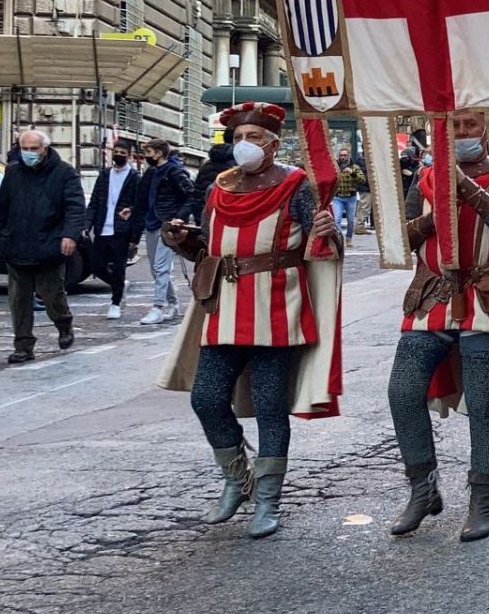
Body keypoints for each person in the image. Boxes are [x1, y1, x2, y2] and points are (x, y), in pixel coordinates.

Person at [159, 102, 343, 539]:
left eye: (254, 138)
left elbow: (321, 245)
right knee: (205, 397)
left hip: (278, 306)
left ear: (274, 144)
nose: (244, 145)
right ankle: (237, 479)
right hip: (223, 306)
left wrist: (327, 231)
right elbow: (210, 247)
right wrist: (185, 242)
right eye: (238, 138)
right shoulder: (220, 186)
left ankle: (268, 499)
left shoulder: (297, 184)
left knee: (268, 406)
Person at [389, 111, 489, 542]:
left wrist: (466, 191)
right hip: (433, 293)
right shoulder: (426, 177)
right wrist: (435, 215)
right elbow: (403, 238)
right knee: (402, 391)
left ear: (486, 128)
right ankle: (423, 488)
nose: (462, 133)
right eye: (453, 126)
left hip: (488, 294)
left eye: (470, 125)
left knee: (483, 402)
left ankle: (481, 502)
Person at [0, 130, 87, 363]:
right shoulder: (12, 172)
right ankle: (23, 346)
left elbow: (75, 208)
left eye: (34, 149)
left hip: (49, 246)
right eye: (25, 149)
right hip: (17, 245)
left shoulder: (64, 173)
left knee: (52, 295)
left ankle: (64, 323)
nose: (29, 153)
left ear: (44, 148)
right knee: (18, 300)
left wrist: (70, 236)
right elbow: (2, 210)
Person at [139, 138, 197, 325]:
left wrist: (179, 217)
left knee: (160, 267)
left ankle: (158, 307)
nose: (146, 156)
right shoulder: (152, 172)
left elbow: (192, 195)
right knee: (156, 269)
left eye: (149, 152)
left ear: (159, 153)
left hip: (167, 224)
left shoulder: (174, 172)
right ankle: (173, 303)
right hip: (153, 222)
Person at [86, 138, 143, 320]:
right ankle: (119, 285)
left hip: (121, 230)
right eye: (116, 152)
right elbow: (94, 201)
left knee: (119, 267)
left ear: (129, 156)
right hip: (102, 227)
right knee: (96, 264)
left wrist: (135, 235)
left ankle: (116, 302)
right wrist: (87, 225)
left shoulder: (134, 178)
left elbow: (139, 206)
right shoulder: (105, 175)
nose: (118, 155)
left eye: (122, 153)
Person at [330, 146, 367, 241]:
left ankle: (349, 237)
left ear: (348, 156)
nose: (342, 157)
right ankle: (339, 239)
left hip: (351, 197)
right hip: (337, 197)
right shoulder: (334, 166)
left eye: (345, 155)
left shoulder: (354, 167)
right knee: (337, 219)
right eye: (341, 155)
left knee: (350, 221)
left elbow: (362, 180)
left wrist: (352, 173)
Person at [193, 142, 235, 211]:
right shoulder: (235, 166)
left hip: (204, 209)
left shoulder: (205, 166)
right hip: (224, 211)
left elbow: (197, 191)